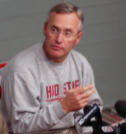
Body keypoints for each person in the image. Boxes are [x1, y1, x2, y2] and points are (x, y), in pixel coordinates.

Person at [0, 2, 103, 134]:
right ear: (45, 29)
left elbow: (93, 108)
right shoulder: (21, 70)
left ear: (77, 38)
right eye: (54, 30)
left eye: (67, 33)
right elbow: (21, 127)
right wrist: (63, 107)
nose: (59, 39)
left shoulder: (81, 64)